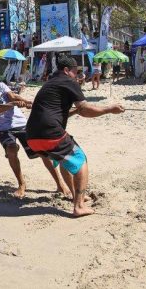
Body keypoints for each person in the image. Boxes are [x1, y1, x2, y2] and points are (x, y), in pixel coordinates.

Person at [26, 55, 125, 217]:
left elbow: (55, 111)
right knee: (80, 159)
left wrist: (75, 109)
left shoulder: (50, 83)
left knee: (63, 159)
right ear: (66, 70)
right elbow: (85, 109)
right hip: (49, 133)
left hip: (32, 137)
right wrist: (109, 109)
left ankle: (75, 195)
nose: (78, 75)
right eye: (75, 72)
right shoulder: (68, 81)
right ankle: (78, 206)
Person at [0, 69, 71, 198]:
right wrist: (12, 104)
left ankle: (60, 184)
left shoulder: (0, 86)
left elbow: (13, 96)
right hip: (4, 129)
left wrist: (27, 102)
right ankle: (21, 184)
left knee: (43, 153)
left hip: (23, 124)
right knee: (11, 149)